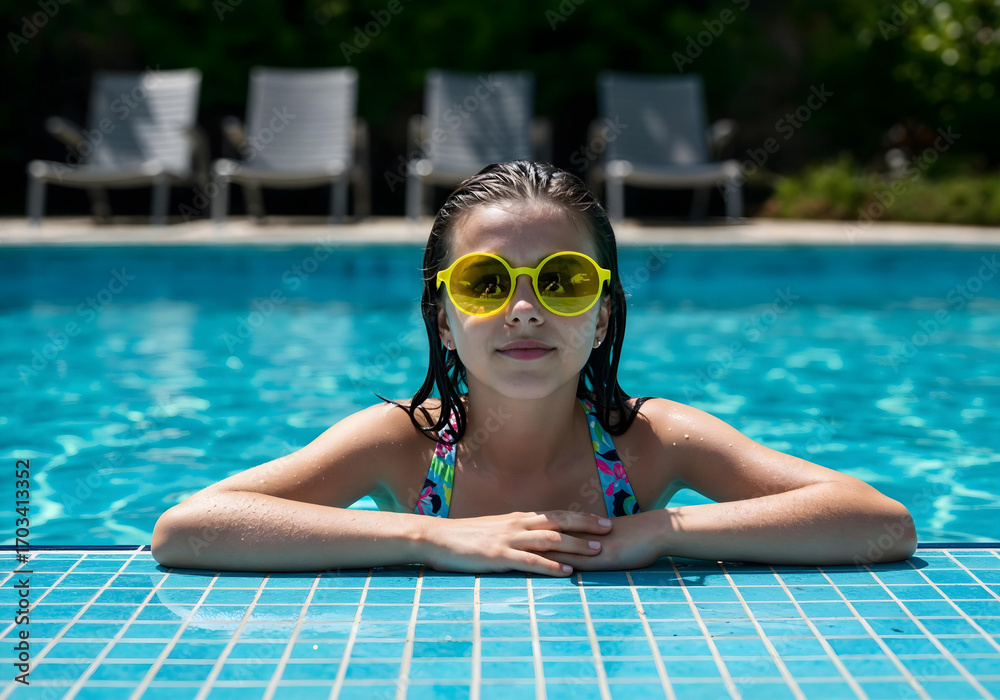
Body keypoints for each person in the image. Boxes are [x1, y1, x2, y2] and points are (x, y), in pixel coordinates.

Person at [152, 160, 917, 576]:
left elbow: (879, 521)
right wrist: (429, 540)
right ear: (444, 319)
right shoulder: (403, 444)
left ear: (603, 315)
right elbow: (189, 528)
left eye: (562, 281)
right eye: (485, 283)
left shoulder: (651, 441)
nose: (523, 310)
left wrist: (660, 529)